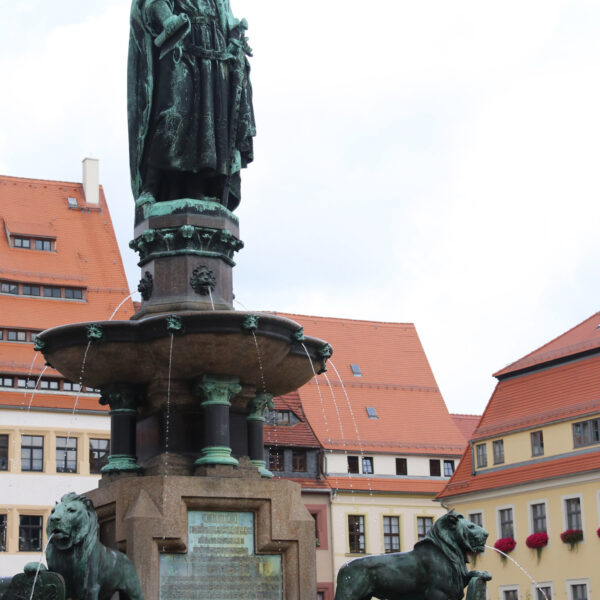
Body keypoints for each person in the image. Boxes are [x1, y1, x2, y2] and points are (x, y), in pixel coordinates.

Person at [128, 0, 255, 211]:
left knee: (208, 126)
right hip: (181, 45)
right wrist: (167, 19)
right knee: (172, 116)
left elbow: (226, 14)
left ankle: (197, 187)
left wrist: (235, 38)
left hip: (215, 53)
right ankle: (151, 187)